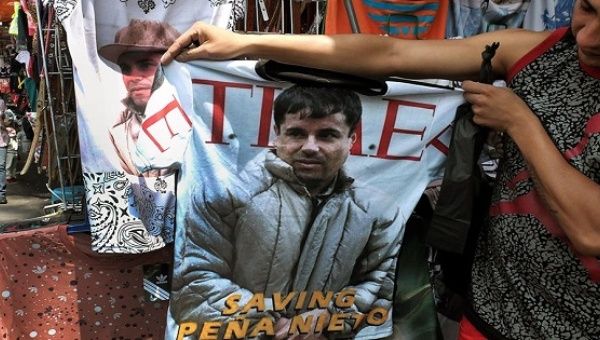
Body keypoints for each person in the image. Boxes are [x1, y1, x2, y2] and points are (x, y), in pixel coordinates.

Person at [162, 1, 600, 339]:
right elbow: (389, 52)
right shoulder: (537, 51)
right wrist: (245, 43)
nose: (589, 37)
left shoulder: (372, 209)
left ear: (352, 141)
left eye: (328, 135)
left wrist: (520, 122)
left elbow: (591, 233)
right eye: (587, 9)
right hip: (491, 307)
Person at [170, 85, 404, 339]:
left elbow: (380, 283)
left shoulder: (378, 211)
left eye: (327, 135)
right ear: (276, 134)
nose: (310, 147)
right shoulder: (225, 192)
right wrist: (265, 321)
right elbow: (192, 281)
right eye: (296, 134)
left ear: (351, 140)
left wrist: (329, 317)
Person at [98, 19, 180, 176]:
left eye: (145, 65)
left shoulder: (195, 122)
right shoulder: (118, 133)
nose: (132, 77)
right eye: (125, 68)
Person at [0, 105, 7, 204]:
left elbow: (7, 123)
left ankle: (1, 195)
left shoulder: (1, 103)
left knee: (1, 168)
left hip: (1, 143)